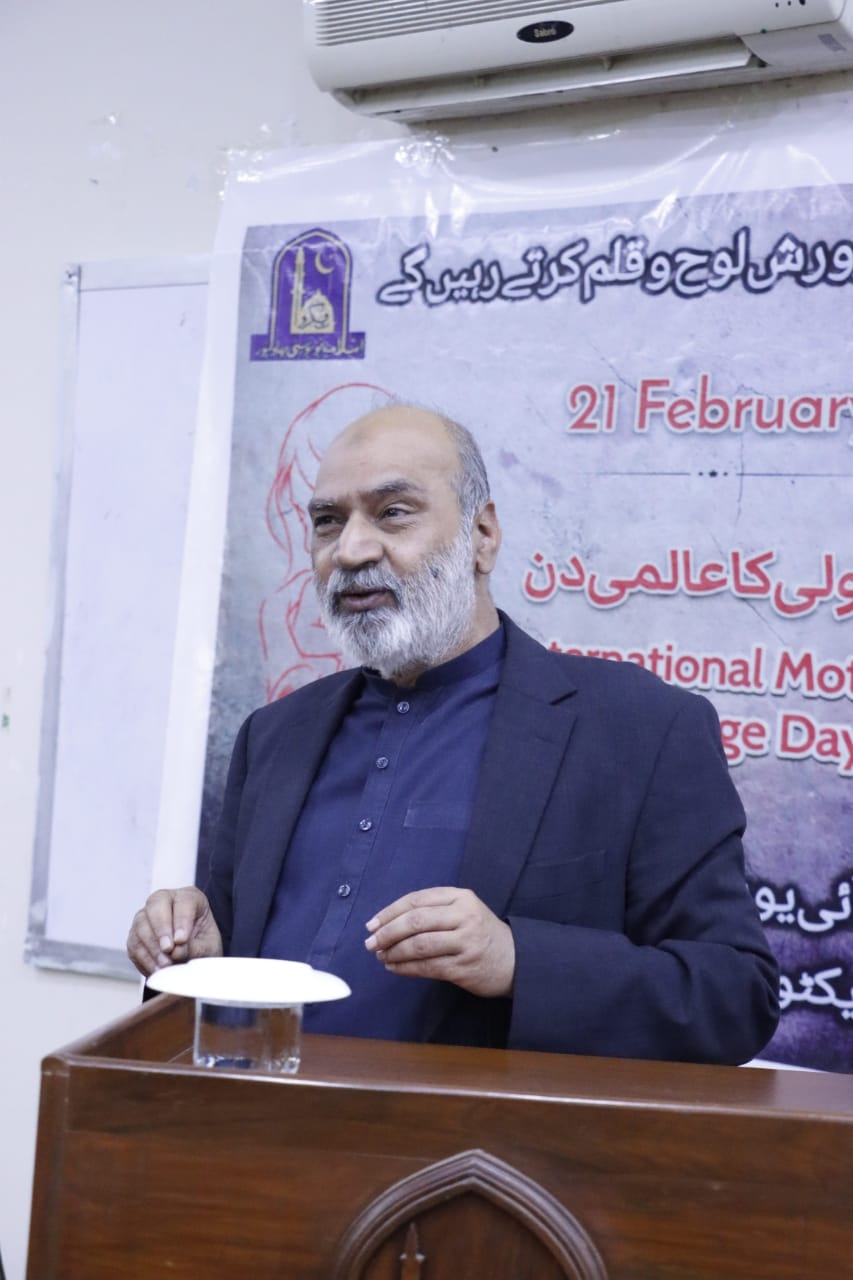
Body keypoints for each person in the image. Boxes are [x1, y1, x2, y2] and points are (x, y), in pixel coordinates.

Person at [128, 404, 779, 1064]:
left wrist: (517, 960)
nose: (351, 550)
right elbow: (234, 973)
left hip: (481, 1132)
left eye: (393, 512)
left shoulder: (638, 730)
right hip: (257, 1122)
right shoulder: (274, 737)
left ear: (483, 536)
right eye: (327, 522)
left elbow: (734, 996)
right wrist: (196, 954)